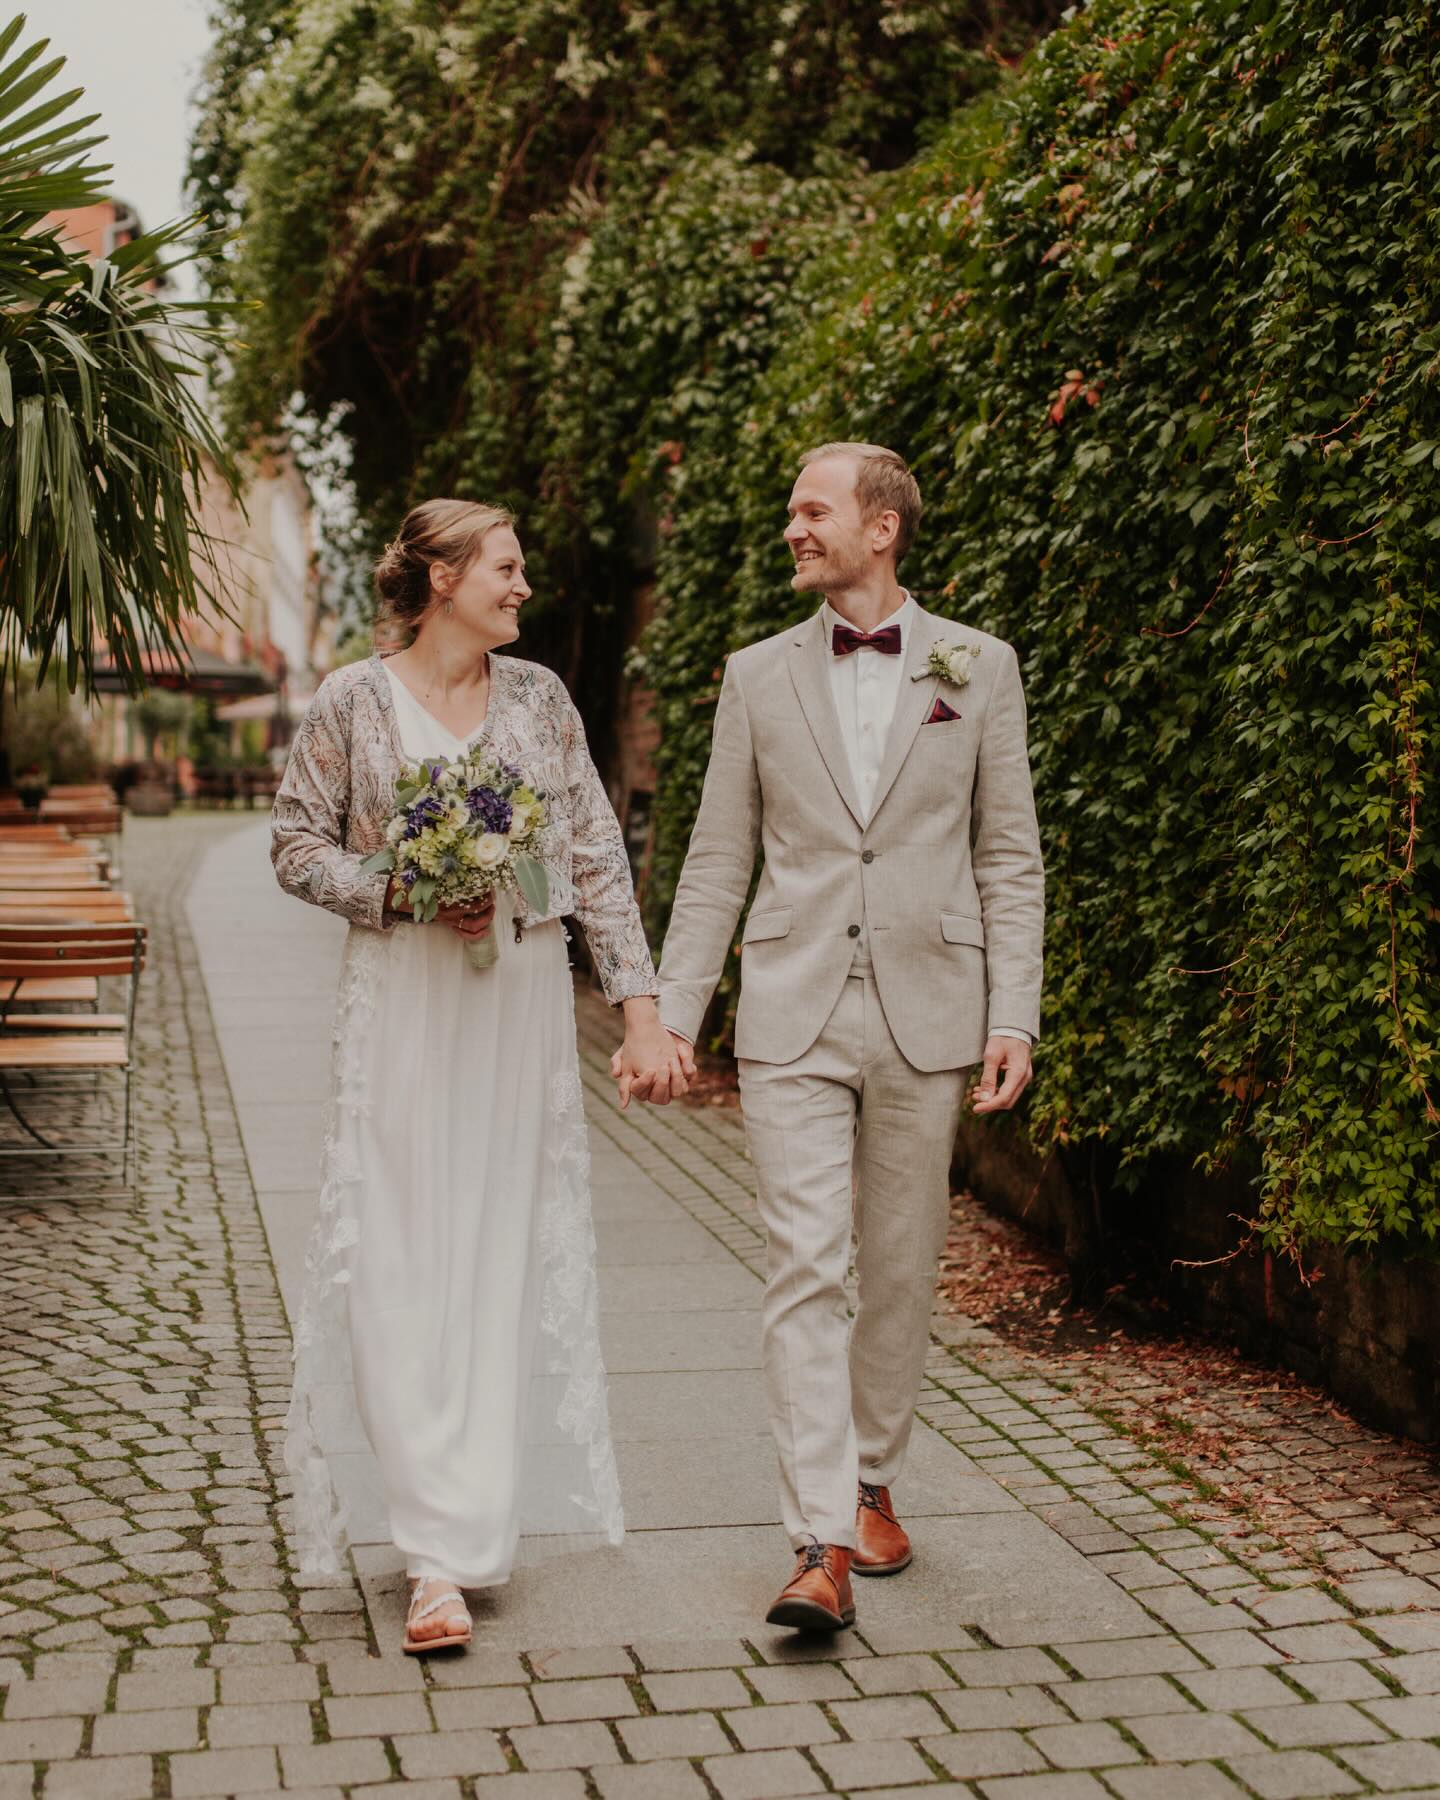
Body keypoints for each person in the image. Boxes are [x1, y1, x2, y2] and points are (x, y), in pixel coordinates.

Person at [632, 444, 1044, 1631]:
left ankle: (871, 1479)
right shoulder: (757, 677)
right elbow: (716, 862)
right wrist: (676, 1014)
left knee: (901, 1270)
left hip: (931, 1011)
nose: (792, 531)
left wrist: (1012, 1010)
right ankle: (816, 1540)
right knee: (805, 1267)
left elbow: (1007, 856)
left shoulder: (981, 666)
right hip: (792, 1012)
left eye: (811, 511)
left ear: (883, 529)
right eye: (790, 510)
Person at [272, 498, 688, 1653]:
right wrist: (397, 887)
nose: (522, 587)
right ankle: (430, 1556)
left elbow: (595, 856)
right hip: (401, 1000)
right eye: (506, 568)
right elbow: (295, 845)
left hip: (514, 1001)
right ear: (445, 577)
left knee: (494, 1246)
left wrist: (644, 1020)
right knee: (400, 1250)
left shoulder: (542, 700)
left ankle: (472, 1525)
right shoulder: (351, 703)